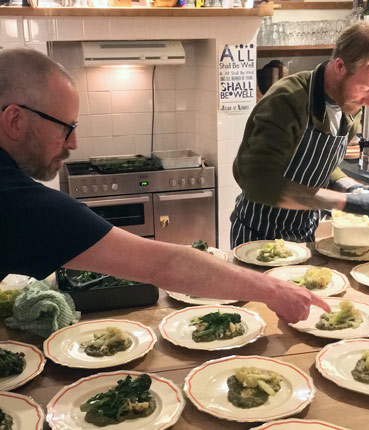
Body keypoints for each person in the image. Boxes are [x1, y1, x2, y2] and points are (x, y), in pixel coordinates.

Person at [0, 48, 330, 324]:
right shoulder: (17, 202)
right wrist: (273, 289)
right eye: (65, 128)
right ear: (15, 120)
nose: (74, 143)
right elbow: (164, 264)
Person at [231, 22, 369, 248]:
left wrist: (348, 186)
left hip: (303, 235)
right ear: (340, 66)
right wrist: (345, 202)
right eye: (365, 88)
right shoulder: (288, 100)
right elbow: (256, 182)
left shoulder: (349, 106)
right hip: (258, 236)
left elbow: (318, 162)